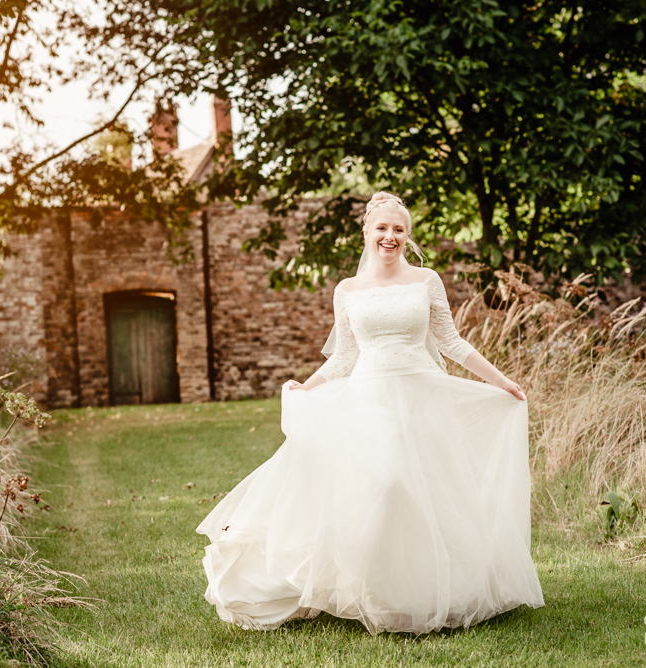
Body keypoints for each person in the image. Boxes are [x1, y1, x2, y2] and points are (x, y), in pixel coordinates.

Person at [196, 192, 545, 635]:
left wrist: (502, 382)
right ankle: (371, 590)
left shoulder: (426, 280)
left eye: (398, 229)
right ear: (366, 232)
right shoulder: (348, 289)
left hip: (421, 398)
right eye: (382, 228)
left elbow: (453, 343)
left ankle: (420, 596)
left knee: (424, 494)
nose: (390, 236)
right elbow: (344, 357)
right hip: (370, 400)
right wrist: (307, 385)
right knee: (383, 484)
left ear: (407, 236)